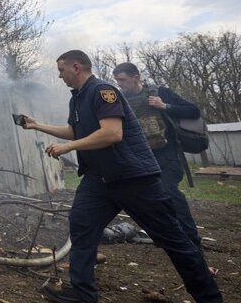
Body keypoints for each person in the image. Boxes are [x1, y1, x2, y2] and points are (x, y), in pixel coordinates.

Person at [18, 50, 220, 303]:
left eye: (61, 71)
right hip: (99, 179)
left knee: (173, 239)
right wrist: (37, 125)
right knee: (81, 226)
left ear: (76, 67)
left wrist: (70, 147)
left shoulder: (103, 91)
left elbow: (112, 133)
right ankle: (83, 294)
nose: (60, 76)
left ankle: (209, 297)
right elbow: (73, 130)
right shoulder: (77, 98)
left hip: (133, 177)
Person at [112, 62, 205, 252]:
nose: (120, 84)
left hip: (167, 153)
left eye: (122, 80)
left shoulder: (160, 91)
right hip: (141, 156)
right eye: (117, 81)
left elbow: (193, 111)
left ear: (135, 77)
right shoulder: (121, 100)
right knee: (149, 196)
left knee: (168, 191)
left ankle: (191, 240)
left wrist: (165, 105)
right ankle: (167, 236)